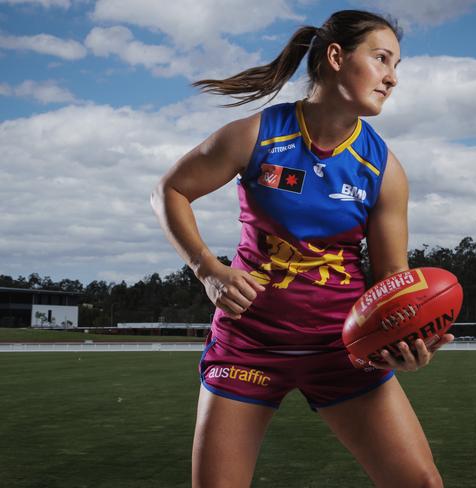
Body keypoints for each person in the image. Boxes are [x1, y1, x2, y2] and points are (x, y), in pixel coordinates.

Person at [151, 9, 454, 488]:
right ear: (336, 57)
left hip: (344, 350)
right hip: (248, 346)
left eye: (397, 66)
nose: (393, 78)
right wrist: (208, 269)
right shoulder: (256, 136)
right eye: (382, 59)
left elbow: (392, 279)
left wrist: (406, 338)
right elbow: (169, 190)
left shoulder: (383, 169)